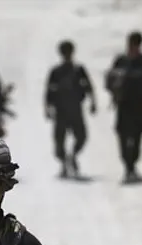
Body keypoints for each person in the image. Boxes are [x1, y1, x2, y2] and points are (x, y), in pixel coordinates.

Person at [105, 31, 142, 184]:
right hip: (122, 105)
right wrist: (114, 92)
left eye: (135, 45)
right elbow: (109, 81)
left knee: (137, 136)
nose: (132, 48)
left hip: (138, 106)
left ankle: (132, 165)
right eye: (130, 45)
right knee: (122, 135)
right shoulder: (120, 61)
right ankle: (128, 167)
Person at [45, 40, 97, 178]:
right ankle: (64, 164)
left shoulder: (79, 70)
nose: (67, 55)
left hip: (75, 109)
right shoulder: (56, 71)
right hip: (61, 111)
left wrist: (93, 102)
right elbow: (49, 91)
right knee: (59, 141)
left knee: (81, 137)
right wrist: (47, 108)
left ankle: (72, 156)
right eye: (65, 53)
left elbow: (89, 86)